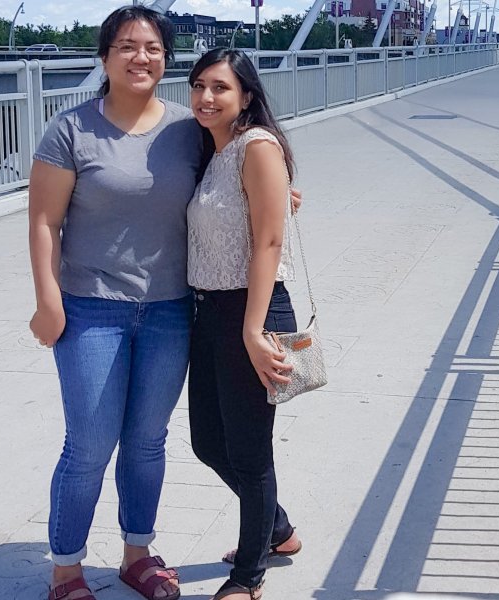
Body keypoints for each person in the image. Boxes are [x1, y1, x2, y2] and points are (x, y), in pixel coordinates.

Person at [28, 7, 195, 600]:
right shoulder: (70, 129)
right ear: (105, 58)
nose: (140, 56)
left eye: (151, 47)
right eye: (126, 46)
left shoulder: (187, 128)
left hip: (171, 309)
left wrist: (282, 189)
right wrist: (48, 302)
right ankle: (66, 570)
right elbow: (45, 222)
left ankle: (136, 554)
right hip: (91, 308)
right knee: (90, 443)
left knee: (149, 440)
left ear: (165, 59)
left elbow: (240, 176)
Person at [186, 48, 304, 600]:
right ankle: (275, 528)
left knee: (251, 454)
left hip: (250, 309)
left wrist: (254, 331)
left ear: (247, 97)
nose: (206, 98)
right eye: (198, 86)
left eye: (220, 88)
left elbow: (270, 242)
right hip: (209, 310)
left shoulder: (256, 146)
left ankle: (248, 576)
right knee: (208, 441)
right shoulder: (214, 150)